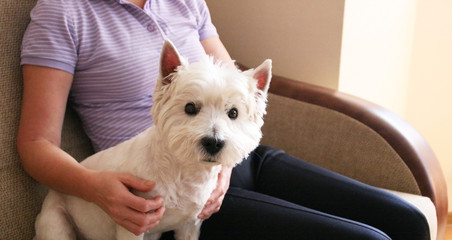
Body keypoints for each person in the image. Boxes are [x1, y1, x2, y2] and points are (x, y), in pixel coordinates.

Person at [18, 0, 429, 239]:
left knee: (405, 219)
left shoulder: (185, 0)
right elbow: (36, 144)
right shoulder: (63, 12)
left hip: (239, 159)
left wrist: (228, 166)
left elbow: (236, 85)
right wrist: (94, 188)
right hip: (175, 187)